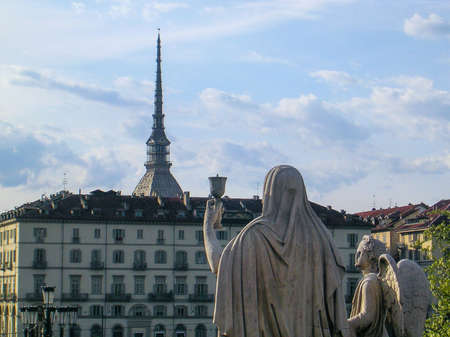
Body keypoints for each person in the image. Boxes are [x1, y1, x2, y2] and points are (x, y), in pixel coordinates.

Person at [203, 165, 350, 337]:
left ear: (268, 194)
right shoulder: (323, 239)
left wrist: (208, 226)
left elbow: (218, 265)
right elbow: (335, 309)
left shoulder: (254, 237)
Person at [347, 235, 387, 337]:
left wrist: (347, 324)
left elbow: (367, 316)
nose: (356, 256)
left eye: (360, 253)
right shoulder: (375, 280)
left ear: (371, 257)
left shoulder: (369, 282)